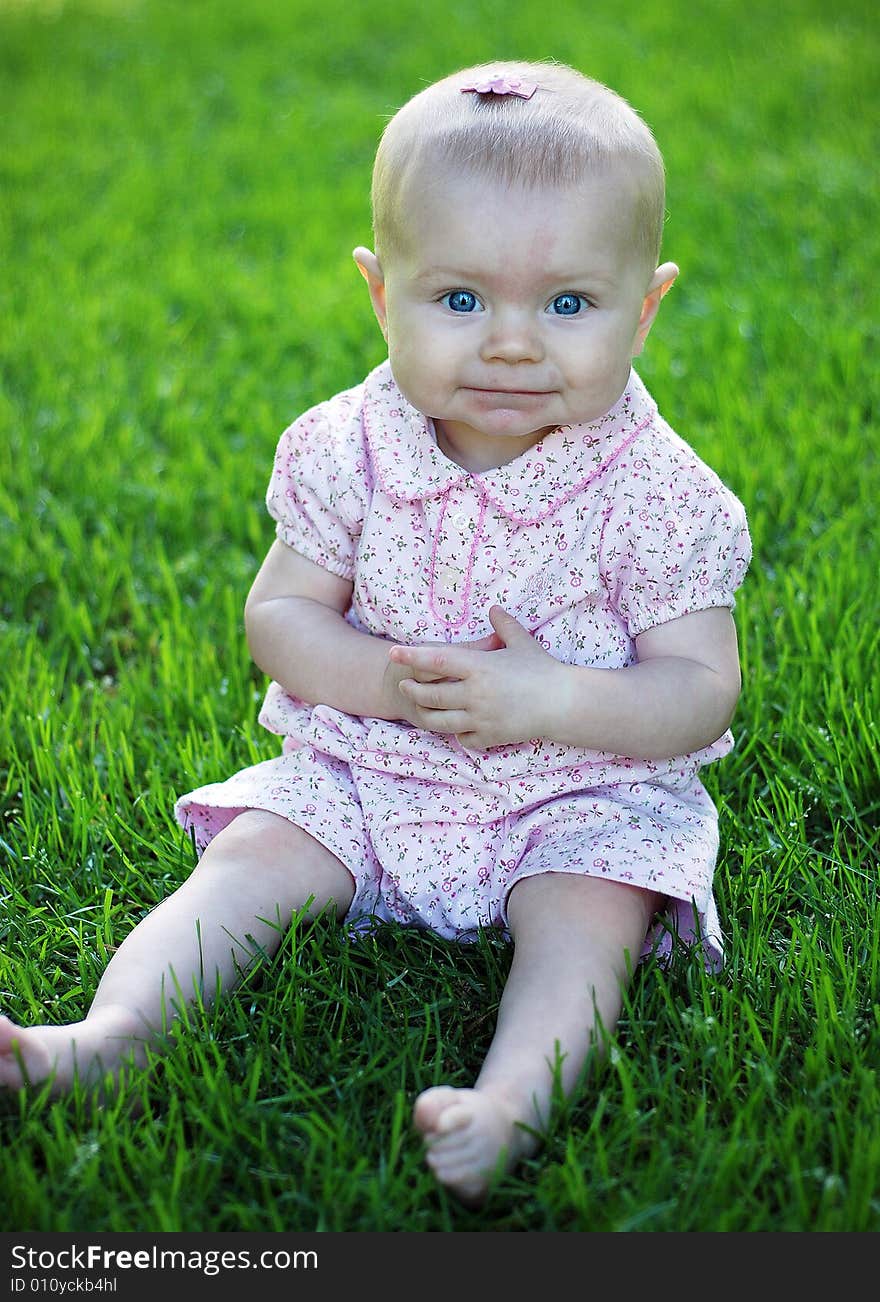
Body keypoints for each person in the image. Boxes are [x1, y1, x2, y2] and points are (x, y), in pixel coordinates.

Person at [0, 59, 751, 1206]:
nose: (510, 344)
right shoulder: (347, 447)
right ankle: (113, 1036)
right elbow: (281, 615)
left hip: (576, 787)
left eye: (566, 305)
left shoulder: (659, 493)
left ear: (642, 307)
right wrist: (383, 687)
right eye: (459, 301)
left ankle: (507, 1103)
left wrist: (553, 700)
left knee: (586, 918)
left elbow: (699, 690)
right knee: (251, 860)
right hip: (371, 763)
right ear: (378, 291)